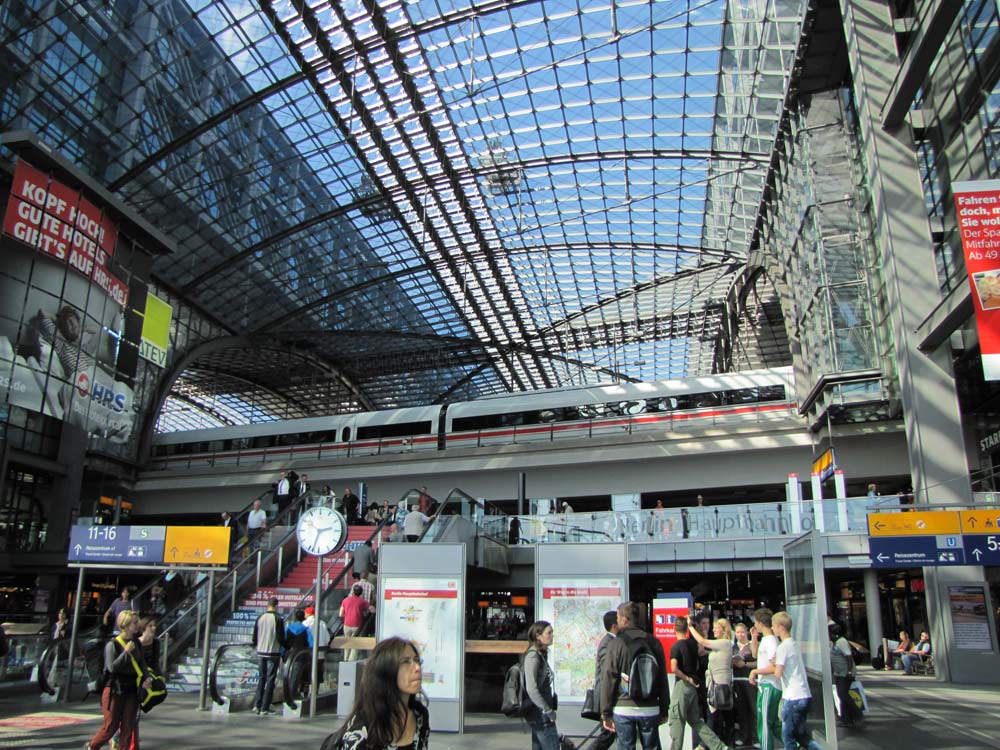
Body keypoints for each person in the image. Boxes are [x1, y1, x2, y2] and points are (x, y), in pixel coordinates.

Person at [320, 637, 429, 750]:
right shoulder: (363, 728)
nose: (417, 668)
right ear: (385, 671)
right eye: (406, 662)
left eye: (417, 660)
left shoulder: (420, 715)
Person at [599, 601, 670, 750]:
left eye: (618, 619)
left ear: (624, 620)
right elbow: (662, 678)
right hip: (650, 707)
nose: (617, 623)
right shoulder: (654, 642)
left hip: (623, 707)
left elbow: (609, 678)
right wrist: (664, 709)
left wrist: (605, 712)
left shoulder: (616, 643)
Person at [85, 610, 152, 750]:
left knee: (128, 725)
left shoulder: (137, 644)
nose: (137, 625)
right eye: (134, 622)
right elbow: (111, 667)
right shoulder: (113, 644)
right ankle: (92, 746)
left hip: (131, 689)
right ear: (125, 625)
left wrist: (147, 678)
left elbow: (142, 664)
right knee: (111, 726)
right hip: (114, 688)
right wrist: (126, 653)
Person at [666, 615, 730, 750]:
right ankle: (720, 747)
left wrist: (686, 677)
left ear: (674, 629)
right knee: (697, 721)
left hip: (682, 685)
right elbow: (702, 650)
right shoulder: (692, 644)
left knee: (677, 721)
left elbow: (674, 668)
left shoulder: (676, 646)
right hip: (693, 688)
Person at [771, 611, 820, 750]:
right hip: (804, 694)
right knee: (801, 736)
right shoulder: (793, 644)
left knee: (788, 737)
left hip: (792, 698)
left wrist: (774, 663)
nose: (773, 628)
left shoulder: (782, 647)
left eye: (774, 626)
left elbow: (777, 673)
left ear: (781, 627)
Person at [690, 616, 735, 747]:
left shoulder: (725, 643)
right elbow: (702, 650)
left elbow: (703, 642)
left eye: (716, 628)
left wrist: (691, 627)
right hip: (714, 683)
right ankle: (720, 743)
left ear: (724, 630)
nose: (713, 630)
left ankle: (705, 745)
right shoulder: (718, 644)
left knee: (714, 714)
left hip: (719, 684)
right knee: (716, 715)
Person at [748, 608, 782, 750]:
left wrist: (755, 671)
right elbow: (755, 655)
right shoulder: (767, 640)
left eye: (756, 622)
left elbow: (774, 667)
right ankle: (795, 744)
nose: (754, 625)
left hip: (769, 685)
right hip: (767, 685)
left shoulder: (771, 642)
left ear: (761, 623)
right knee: (773, 722)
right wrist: (754, 638)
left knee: (764, 722)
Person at [524, 620, 560, 750]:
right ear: (538, 636)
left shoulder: (541, 654)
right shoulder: (533, 656)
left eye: (552, 632)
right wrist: (547, 709)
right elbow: (531, 688)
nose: (552, 636)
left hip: (540, 711)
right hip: (540, 712)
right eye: (548, 633)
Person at [591, 611, 619, 750]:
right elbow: (606, 672)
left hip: (609, 696)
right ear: (614, 626)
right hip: (606, 696)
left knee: (610, 733)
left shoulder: (612, 641)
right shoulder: (607, 643)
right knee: (608, 734)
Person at [252, 597, 285, 715]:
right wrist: (286, 647)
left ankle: (257, 704)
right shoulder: (278, 619)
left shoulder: (260, 618)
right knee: (271, 679)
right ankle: (265, 707)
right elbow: (281, 638)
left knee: (262, 678)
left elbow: (254, 637)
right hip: (273, 652)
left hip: (260, 652)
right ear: (276, 606)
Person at [731, 622, 757, 747]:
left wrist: (745, 664)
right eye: (737, 632)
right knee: (741, 710)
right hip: (736, 680)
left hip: (749, 680)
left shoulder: (752, 645)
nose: (740, 635)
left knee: (753, 709)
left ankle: (756, 737)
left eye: (742, 632)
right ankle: (744, 736)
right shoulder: (733, 647)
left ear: (746, 632)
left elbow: (758, 662)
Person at [829, 624, 860, 726]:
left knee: (843, 694)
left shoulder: (842, 642)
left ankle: (857, 713)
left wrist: (849, 671)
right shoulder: (835, 643)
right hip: (838, 672)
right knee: (841, 694)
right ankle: (846, 719)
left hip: (845, 672)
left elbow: (849, 657)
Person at [339, 584, 371, 661]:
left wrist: (347, 615)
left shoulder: (345, 600)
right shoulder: (363, 602)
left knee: (347, 643)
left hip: (347, 625)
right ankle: (351, 661)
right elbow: (372, 609)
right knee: (355, 644)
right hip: (357, 625)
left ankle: (345, 659)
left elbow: (340, 614)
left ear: (353, 591)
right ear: (361, 593)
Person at [303, 605, 331, 686]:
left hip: (308, 653)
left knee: (307, 675)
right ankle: (316, 692)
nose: (304, 616)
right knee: (317, 676)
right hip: (320, 653)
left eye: (305, 614)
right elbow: (327, 638)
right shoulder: (322, 623)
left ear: (308, 614)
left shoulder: (305, 623)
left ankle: (306, 693)